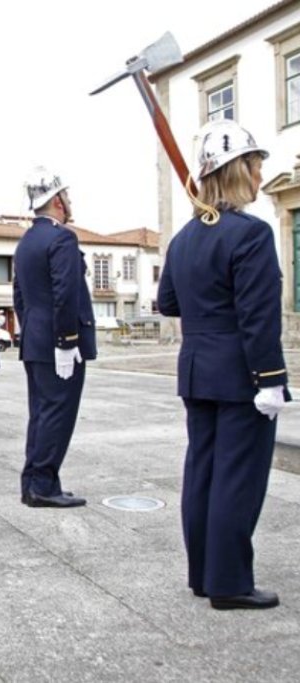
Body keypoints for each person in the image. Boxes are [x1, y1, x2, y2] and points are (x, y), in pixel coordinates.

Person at [158, 120, 288, 610]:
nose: (259, 178)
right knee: (237, 478)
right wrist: (271, 379)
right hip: (241, 374)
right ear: (238, 171)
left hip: (197, 367)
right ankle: (230, 582)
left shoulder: (184, 238)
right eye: (255, 167)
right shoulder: (251, 234)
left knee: (204, 473)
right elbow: (258, 316)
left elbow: (169, 302)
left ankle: (204, 575)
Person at [13, 167, 95, 508]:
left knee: (41, 414)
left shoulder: (26, 242)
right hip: (58, 342)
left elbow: (19, 296)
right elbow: (66, 292)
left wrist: (32, 331)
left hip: (35, 339)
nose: (70, 202)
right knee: (57, 415)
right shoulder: (63, 238)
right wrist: (66, 341)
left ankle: (37, 482)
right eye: (68, 196)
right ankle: (43, 485)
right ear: (57, 200)